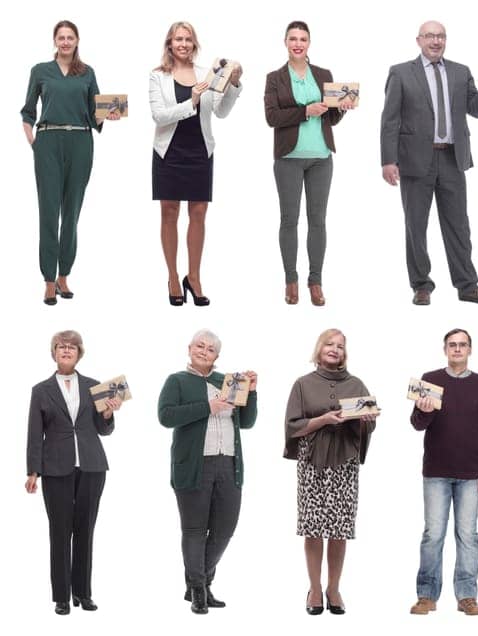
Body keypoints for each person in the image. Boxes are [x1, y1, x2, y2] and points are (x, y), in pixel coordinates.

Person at [380, 21, 478, 306]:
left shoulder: (460, 72)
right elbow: (390, 120)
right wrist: (388, 160)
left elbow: (475, 110)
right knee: (416, 225)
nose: (436, 41)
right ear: (418, 40)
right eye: (430, 36)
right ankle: (421, 285)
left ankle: (467, 285)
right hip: (414, 159)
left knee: (459, 225)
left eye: (441, 36)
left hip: (452, 157)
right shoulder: (400, 72)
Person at [156, 329, 258, 614]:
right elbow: (165, 416)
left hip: (228, 463)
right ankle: (200, 589)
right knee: (194, 530)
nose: (204, 351)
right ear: (189, 348)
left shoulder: (228, 382)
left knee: (225, 529)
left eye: (210, 349)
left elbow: (246, 422)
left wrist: (252, 392)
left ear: (217, 355)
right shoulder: (176, 380)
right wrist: (207, 407)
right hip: (193, 465)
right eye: (199, 346)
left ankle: (197, 581)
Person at [22, 21, 120, 305]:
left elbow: (95, 112)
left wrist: (107, 115)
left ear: (77, 41)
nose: (65, 42)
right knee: (49, 212)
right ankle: (49, 281)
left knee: (72, 211)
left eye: (70, 37)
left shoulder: (87, 72)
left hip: (81, 142)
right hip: (48, 141)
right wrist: (33, 141)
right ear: (55, 40)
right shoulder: (40, 71)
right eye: (61, 37)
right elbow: (28, 110)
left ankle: (64, 274)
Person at [25, 330, 120, 614]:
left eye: (71, 347)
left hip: (92, 466)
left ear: (79, 353)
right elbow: (34, 433)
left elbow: (105, 430)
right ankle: (62, 597)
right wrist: (33, 472)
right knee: (59, 531)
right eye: (61, 346)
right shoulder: (40, 390)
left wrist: (107, 413)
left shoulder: (96, 387)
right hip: (55, 469)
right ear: (54, 352)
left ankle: (83, 593)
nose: (66, 350)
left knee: (85, 531)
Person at [283, 329, 376, 615]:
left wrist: (367, 420)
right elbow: (292, 425)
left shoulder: (357, 383)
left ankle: (333, 588)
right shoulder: (303, 384)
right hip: (312, 462)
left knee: (339, 529)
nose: (335, 349)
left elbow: (366, 427)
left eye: (341, 346)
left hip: (344, 461)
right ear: (319, 347)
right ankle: (314, 588)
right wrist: (322, 420)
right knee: (313, 528)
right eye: (330, 344)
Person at [149, 22, 241, 307]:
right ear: (169, 43)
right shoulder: (157, 76)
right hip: (169, 152)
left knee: (199, 215)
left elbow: (220, 112)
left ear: (194, 44)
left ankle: (195, 277)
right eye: (178, 39)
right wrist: (192, 100)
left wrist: (234, 84)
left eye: (188, 39)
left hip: (200, 151)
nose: (183, 44)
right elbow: (159, 116)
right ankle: (173, 277)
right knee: (169, 213)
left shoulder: (205, 73)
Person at [409, 328, 478, 617]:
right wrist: (425, 409)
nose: (457, 349)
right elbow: (417, 424)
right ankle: (426, 595)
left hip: (471, 472)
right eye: (452, 345)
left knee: (467, 534)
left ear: (470, 350)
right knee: (433, 534)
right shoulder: (430, 380)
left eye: (462, 345)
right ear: (445, 349)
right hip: (436, 470)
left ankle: (467, 595)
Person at [265, 21, 349, 307]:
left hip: (321, 157)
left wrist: (343, 109)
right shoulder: (275, 78)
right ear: (285, 43)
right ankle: (291, 280)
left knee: (318, 221)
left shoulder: (324, 75)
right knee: (289, 220)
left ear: (309, 43)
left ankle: (316, 281)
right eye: (293, 39)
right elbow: (272, 118)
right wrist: (304, 111)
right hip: (289, 158)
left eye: (302, 39)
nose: (298, 43)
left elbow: (331, 118)